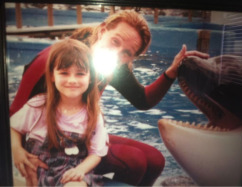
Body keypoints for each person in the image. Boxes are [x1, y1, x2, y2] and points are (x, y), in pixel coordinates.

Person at [9, 10, 209, 186]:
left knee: (155, 159)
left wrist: (171, 73)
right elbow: (12, 115)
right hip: (50, 152)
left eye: (126, 53)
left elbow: (142, 100)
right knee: (135, 160)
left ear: (130, 59)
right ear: (103, 30)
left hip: (79, 139)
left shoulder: (113, 66)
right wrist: (18, 152)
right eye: (115, 41)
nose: (116, 53)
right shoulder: (56, 61)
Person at [10, 39, 109, 186]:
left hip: (72, 172)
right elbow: (12, 128)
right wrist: (17, 150)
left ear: (90, 78)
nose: (72, 80)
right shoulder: (38, 106)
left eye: (80, 74)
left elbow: (96, 153)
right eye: (64, 73)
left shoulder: (92, 114)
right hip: (39, 171)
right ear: (52, 75)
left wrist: (80, 170)